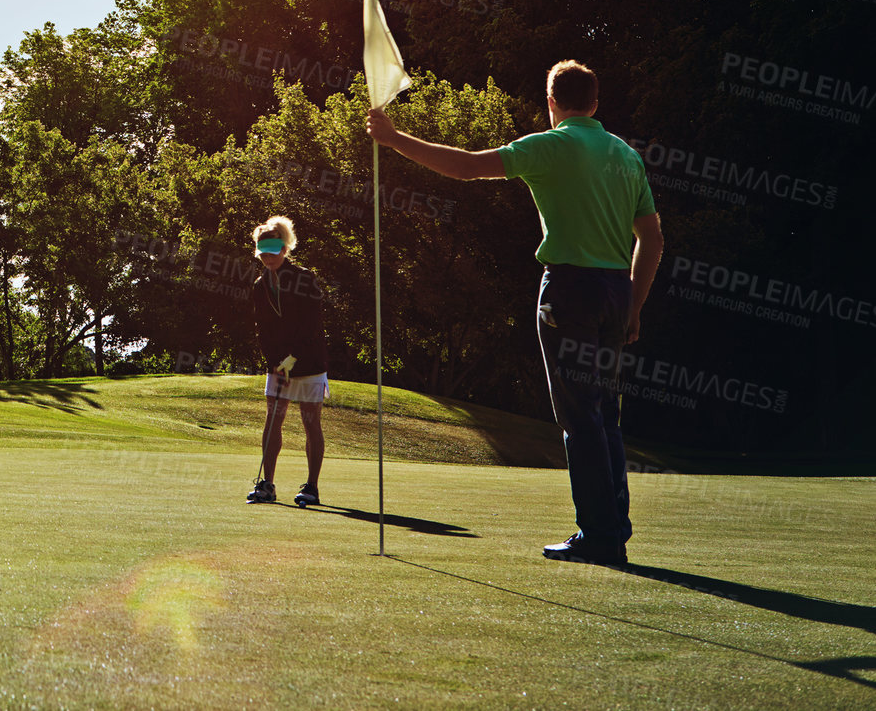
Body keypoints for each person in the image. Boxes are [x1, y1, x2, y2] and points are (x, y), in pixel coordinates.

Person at [366, 59, 663, 567]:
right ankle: (613, 525)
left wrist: (395, 140)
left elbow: (464, 166)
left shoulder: (549, 145)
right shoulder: (626, 157)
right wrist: (634, 303)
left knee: (580, 418)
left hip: (569, 291)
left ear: (552, 102)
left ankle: (600, 536)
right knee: (604, 414)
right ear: (595, 102)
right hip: (616, 291)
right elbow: (652, 239)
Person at [246, 216, 330, 507]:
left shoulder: (305, 277)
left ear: (284, 249)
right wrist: (274, 362)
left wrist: (292, 357)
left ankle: (312, 487)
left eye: (272, 251)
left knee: (310, 422)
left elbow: (312, 323)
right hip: (278, 364)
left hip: (309, 362)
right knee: (273, 421)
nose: (267, 257)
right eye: (263, 252)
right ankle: (267, 484)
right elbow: (263, 330)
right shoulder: (259, 285)